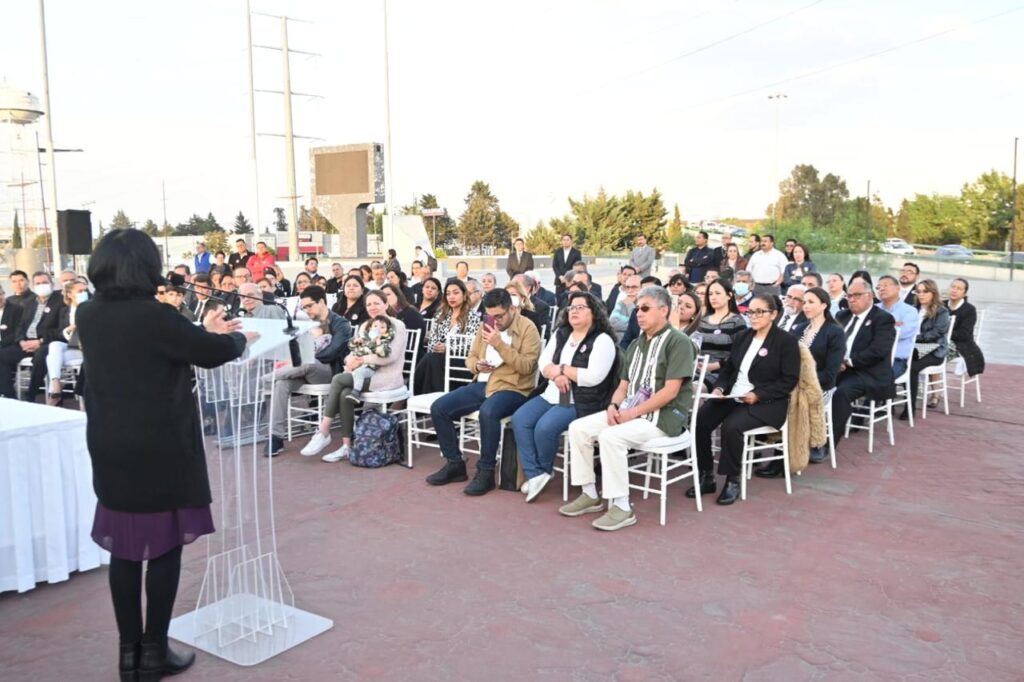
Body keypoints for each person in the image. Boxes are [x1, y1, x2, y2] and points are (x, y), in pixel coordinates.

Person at [77, 228, 255, 682]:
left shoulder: (88, 315)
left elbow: (161, 346)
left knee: (124, 551)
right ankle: (154, 653)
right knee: (163, 547)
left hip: (112, 444)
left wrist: (199, 330)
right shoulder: (156, 316)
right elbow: (209, 352)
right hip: (159, 446)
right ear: (145, 267)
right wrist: (238, 339)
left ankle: (128, 655)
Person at [562, 286, 695, 530]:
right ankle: (590, 493)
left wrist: (632, 413)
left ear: (664, 310)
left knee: (610, 436)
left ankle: (622, 507)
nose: (639, 314)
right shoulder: (635, 344)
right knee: (578, 428)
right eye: (637, 309)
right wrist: (613, 406)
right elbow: (623, 386)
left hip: (663, 418)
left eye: (645, 308)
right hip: (630, 412)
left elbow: (671, 391)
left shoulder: (679, 342)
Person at [426, 289, 542, 495]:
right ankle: (455, 464)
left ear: (512, 309)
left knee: (489, 412)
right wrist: (477, 366)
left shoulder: (528, 328)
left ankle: (486, 471)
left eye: (499, 316)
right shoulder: (485, 325)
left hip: (513, 388)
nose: (495, 321)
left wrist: (499, 345)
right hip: (483, 383)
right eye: (490, 316)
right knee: (439, 408)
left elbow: (527, 367)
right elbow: (470, 357)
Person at [688, 292, 800, 503]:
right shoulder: (743, 337)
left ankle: (733, 480)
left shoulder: (786, 342)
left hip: (767, 402)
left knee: (732, 426)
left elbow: (789, 380)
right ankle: (706, 476)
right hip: (733, 395)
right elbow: (728, 370)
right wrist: (720, 389)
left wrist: (758, 394)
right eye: (750, 312)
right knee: (700, 420)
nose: (754, 316)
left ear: (773, 314)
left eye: (760, 312)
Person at [512, 291, 619, 502]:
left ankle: (542, 470)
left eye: (580, 307)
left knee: (545, 427)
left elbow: (593, 377)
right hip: (553, 393)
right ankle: (536, 474)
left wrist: (561, 369)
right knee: (520, 419)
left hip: (581, 400)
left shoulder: (602, 340)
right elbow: (543, 362)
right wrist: (555, 373)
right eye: (571, 308)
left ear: (594, 313)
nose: (574, 311)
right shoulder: (562, 333)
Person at [266, 286, 352, 456]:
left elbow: (333, 352)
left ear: (321, 301)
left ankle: (264, 378)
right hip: (303, 371)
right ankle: (275, 437)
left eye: (309, 306)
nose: (306, 310)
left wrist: (306, 358)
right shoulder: (306, 324)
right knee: (282, 384)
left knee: (309, 363)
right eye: (303, 307)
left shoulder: (341, 323)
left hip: (329, 373)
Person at [830, 278, 897, 446]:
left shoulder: (883, 319)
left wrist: (848, 361)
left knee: (841, 393)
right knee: (809, 383)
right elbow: (831, 342)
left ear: (870, 296)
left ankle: (828, 442)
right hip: (840, 368)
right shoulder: (842, 315)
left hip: (868, 372)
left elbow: (878, 351)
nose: (851, 299)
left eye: (856, 295)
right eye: (849, 295)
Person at [791, 286, 845, 463]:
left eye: (811, 302)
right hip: (794, 382)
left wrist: (802, 382)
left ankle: (812, 443)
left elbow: (830, 374)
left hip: (821, 385)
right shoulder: (799, 329)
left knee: (796, 400)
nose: (805, 306)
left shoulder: (835, 332)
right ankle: (778, 442)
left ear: (824, 305)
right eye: (804, 302)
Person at [0, 271, 66, 400]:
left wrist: (40, 341)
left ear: (52, 284)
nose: (42, 285)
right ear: (34, 285)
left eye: (45, 282)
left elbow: (60, 329)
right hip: (25, 344)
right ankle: (9, 396)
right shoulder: (30, 303)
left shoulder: (60, 302)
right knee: (1, 355)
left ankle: (31, 394)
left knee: (41, 356)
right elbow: (21, 326)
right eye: (38, 283)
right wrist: (21, 341)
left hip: (46, 342)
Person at [413, 278, 482, 395]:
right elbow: (432, 340)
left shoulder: (472, 317)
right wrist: (436, 346)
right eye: (448, 294)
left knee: (431, 360)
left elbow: (471, 345)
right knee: (432, 358)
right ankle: (431, 399)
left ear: (464, 295)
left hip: (462, 361)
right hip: (438, 358)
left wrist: (448, 348)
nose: (451, 297)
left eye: (456, 293)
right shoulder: (441, 315)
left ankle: (417, 396)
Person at [902, 279, 951, 420]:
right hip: (912, 348)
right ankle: (888, 403)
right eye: (918, 291)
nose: (921, 294)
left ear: (933, 293)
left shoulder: (941, 311)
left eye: (925, 291)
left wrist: (913, 338)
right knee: (895, 360)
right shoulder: (912, 309)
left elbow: (936, 333)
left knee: (911, 368)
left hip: (934, 350)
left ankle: (909, 408)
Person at [44, 278, 90, 405]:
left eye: (85, 290)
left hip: (85, 348)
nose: (84, 293)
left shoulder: (91, 308)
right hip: (71, 345)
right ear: (70, 294)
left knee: (50, 357)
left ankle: (54, 391)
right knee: (54, 345)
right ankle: (56, 384)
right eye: (80, 291)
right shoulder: (64, 311)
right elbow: (60, 333)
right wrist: (68, 330)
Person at [695, 278, 747, 386]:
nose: (713, 297)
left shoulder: (737, 322)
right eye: (710, 294)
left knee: (694, 389)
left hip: (721, 374)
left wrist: (715, 365)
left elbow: (740, 352)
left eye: (718, 293)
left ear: (729, 295)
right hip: (696, 369)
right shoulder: (702, 321)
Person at [875, 275, 919, 380]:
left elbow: (902, 333)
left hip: (896, 360)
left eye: (885, 285)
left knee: (877, 379)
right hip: (872, 358)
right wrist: (892, 325)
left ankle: (873, 396)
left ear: (898, 288)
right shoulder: (874, 309)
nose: (881, 289)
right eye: (878, 287)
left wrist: (877, 329)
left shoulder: (909, 311)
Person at [945, 277, 985, 378]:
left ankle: (933, 388)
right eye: (953, 287)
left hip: (960, 345)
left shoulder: (969, 310)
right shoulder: (941, 305)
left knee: (932, 355)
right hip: (939, 340)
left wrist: (943, 332)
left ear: (964, 293)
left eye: (959, 288)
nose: (954, 290)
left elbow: (963, 335)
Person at [381, 283, 425, 349]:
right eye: (382, 296)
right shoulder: (384, 314)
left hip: (408, 351)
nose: (385, 298)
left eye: (388, 294)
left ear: (397, 296)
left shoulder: (411, 313)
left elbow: (413, 341)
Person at [609, 274, 641, 341]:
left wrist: (630, 305)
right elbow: (612, 322)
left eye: (634, 287)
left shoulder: (645, 306)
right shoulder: (622, 302)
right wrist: (631, 323)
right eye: (628, 287)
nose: (630, 290)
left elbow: (639, 326)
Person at [0, 285, 24, 350]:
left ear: (4, 294)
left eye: (0, 294)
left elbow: (18, 333)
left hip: (9, 346)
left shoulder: (17, 310)